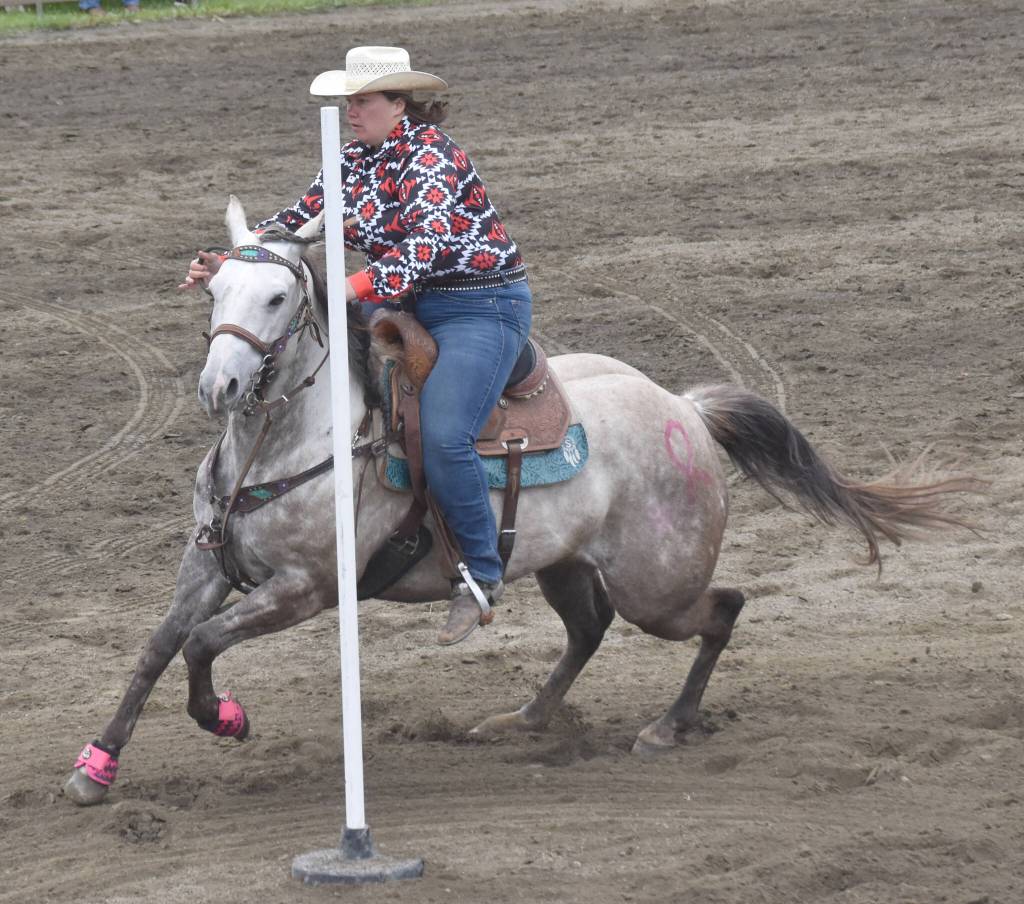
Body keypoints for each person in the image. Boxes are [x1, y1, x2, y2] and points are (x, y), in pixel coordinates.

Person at [181, 46, 532, 646]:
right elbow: (294, 222)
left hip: (478, 306)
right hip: (401, 302)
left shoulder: (432, 157)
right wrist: (238, 265)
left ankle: (480, 574)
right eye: (348, 99)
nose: (351, 109)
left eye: (363, 99)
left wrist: (351, 285)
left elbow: (424, 249)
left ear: (399, 104)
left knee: (445, 434)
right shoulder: (350, 160)